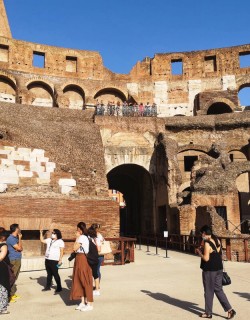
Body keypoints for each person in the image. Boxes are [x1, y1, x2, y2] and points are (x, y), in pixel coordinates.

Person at [195, 225, 236, 319]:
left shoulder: (207, 243)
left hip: (210, 269)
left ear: (204, 233)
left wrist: (199, 252)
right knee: (219, 290)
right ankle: (230, 310)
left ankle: (208, 313)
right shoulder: (216, 239)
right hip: (219, 268)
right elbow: (216, 251)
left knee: (208, 291)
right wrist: (202, 245)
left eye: (202, 234)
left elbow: (206, 258)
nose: (201, 235)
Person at [70, 222, 94, 312]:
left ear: (79, 230)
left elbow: (74, 248)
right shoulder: (84, 237)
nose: (76, 231)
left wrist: (77, 238)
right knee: (79, 280)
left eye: (77, 229)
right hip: (79, 258)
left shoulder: (82, 237)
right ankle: (83, 302)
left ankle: (90, 303)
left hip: (83, 259)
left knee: (85, 280)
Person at [40, 229, 64, 293]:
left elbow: (62, 251)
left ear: (57, 234)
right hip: (47, 259)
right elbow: (42, 240)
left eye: (54, 233)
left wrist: (60, 260)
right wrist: (41, 233)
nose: (52, 234)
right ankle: (48, 287)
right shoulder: (49, 240)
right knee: (49, 274)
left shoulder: (60, 241)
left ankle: (59, 287)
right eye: (52, 233)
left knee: (55, 274)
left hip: (55, 260)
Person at [6, 224, 23, 303]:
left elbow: (21, 248)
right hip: (13, 260)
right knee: (12, 277)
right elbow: (19, 248)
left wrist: (19, 245)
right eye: (18, 228)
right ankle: (9, 296)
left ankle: (12, 294)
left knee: (15, 277)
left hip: (17, 258)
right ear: (16, 229)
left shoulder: (15, 238)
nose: (19, 229)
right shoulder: (11, 238)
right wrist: (20, 238)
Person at [88, 227, 101, 296]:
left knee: (91, 273)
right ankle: (97, 289)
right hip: (96, 257)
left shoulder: (89, 239)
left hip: (90, 258)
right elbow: (99, 249)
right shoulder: (97, 239)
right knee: (95, 274)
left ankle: (92, 287)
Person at [0, 230, 10, 315]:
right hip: (2, 269)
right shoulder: (3, 246)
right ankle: (2, 308)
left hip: (2, 268)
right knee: (3, 287)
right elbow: (1, 257)